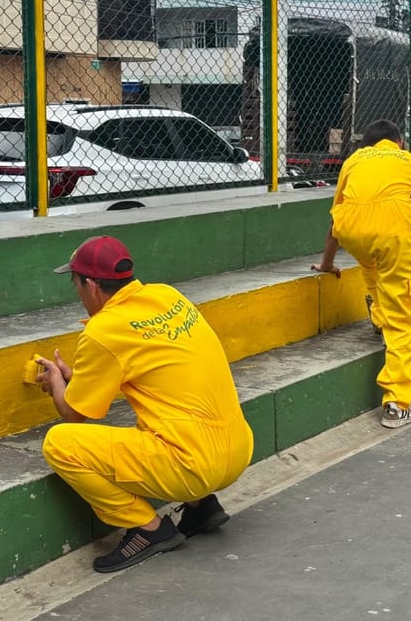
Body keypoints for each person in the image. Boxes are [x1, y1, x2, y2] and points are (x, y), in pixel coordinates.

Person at [35, 235, 254, 573]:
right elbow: (143, 369)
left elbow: (73, 414)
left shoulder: (103, 330)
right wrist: (75, 378)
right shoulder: (168, 296)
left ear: (91, 285)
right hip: (238, 451)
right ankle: (200, 508)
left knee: (59, 444)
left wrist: (57, 385)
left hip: (192, 466)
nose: (77, 293)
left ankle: (148, 529)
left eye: (75, 283)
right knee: (158, 415)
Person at [310, 119, 411, 429]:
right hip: (393, 234)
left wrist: (326, 265)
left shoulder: (353, 161)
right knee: (404, 319)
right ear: (400, 143)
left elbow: (335, 221)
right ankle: (396, 403)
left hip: (353, 233)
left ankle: (380, 317)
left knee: (371, 263)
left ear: (365, 145)